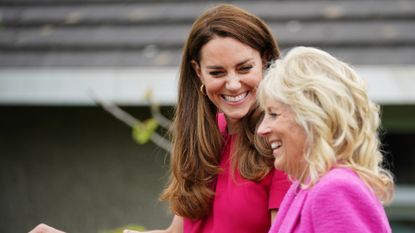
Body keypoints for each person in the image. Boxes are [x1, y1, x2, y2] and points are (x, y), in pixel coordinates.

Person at [29, 4, 291, 233]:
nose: (233, 84)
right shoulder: (207, 137)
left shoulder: (282, 142)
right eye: (217, 72)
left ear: (266, 61)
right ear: (198, 72)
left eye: (245, 68)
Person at [256, 46, 395, 233]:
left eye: (273, 114)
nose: (262, 130)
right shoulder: (305, 186)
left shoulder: (335, 188)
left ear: (312, 118)